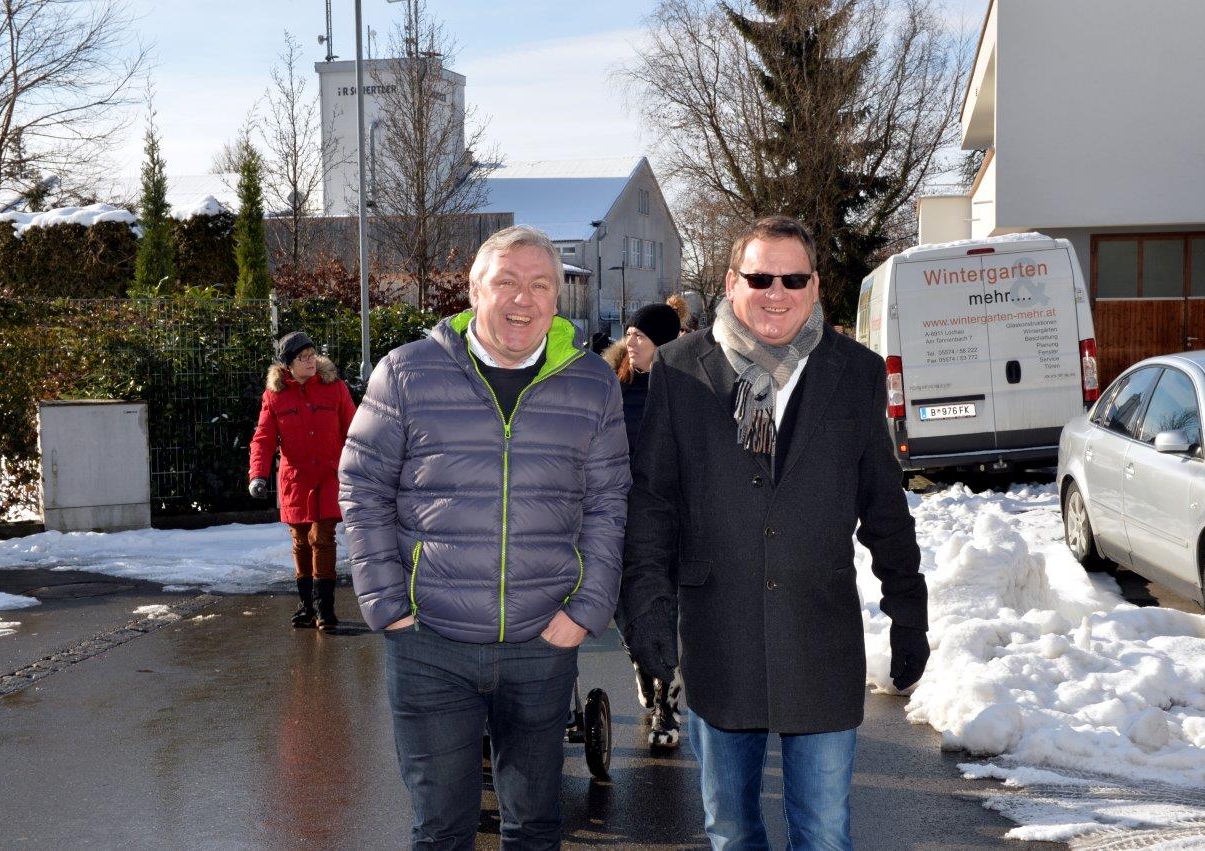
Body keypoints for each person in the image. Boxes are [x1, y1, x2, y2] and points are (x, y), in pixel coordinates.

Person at [621, 215, 930, 849]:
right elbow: (652, 504)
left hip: (820, 638)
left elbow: (883, 507)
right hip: (720, 640)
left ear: (814, 286)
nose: (776, 292)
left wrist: (908, 612)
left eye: (793, 278)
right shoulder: (680, 369)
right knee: (732, 830)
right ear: (731, 283)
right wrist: (648, 613)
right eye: (761, 277)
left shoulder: (856, 373)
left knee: (823, 834)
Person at [338, 225, 630, 849]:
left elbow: (608, 502)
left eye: (540, 285)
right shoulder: (407, 373)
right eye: (506, 282)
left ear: (557, 299)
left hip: (541, 642)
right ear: (474, 291)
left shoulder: (592, 382)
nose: (523, 299)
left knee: (536, 826)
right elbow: (362, 488)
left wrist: (586, 609)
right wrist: (388, 605)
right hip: (429, 643)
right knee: (441, 828)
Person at [605, 303, 682, 747]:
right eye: (629, 333)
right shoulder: (613, 388)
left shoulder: (685, 391)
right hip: (619, 516)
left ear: (664, 344)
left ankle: (664, 705)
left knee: (661, 606)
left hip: (669, 520)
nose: (630, 342)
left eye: (641, 336)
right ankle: (643, 663)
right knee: (623, 606)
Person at [248, 331, 356, 632]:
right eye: (302, 357)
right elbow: (263, 439)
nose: (310, 361)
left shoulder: (335, 388)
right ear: (288, 365)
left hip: (329, 476)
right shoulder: (275, 395)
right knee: (300, 541)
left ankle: (324, 608)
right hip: (295, 480)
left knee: (322, 538)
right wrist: (257, 475)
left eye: (312, 355)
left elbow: (354, 430)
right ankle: (307, 606)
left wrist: (364, 468)